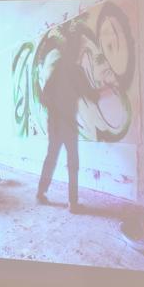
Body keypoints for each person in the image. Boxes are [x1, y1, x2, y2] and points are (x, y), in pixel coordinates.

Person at [35, 37, 85, 211]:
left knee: (51, 158)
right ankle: (72, 202)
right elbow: (90, 95)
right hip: (68, 123)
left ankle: (41, 193)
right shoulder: (76, 71)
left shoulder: (57, 69)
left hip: (56, 123)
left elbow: (43, 96)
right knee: (72, 162)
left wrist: (54, 109)